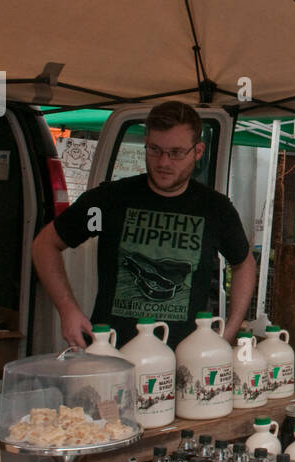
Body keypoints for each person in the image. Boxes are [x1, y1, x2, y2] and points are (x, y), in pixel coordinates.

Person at [33, 101, 254, 348]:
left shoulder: (215, 208)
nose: (164, 162)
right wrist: (67, 310)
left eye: (176, 152)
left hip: (182, 359)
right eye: (154, 149)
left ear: (198, 151)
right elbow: (45, 245)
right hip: (112, 354)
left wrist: (229, 332)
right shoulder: (110, 199)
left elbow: (243, 263)